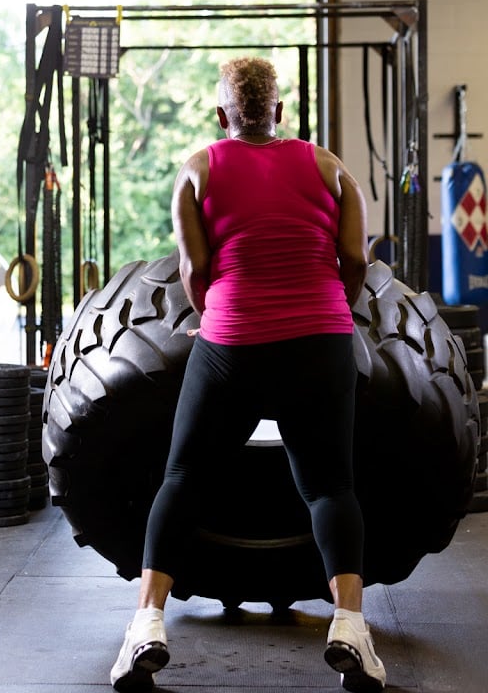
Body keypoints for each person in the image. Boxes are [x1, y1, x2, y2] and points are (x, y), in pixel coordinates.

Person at [110, 56, 386, 693]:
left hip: (234, 340)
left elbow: (193, 269)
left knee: (183, 476)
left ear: (220, 114)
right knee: (329, 489)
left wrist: (209, 318)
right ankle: (349, 626)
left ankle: (147, 626)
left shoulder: (198, 170)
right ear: (281, 112)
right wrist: (334, 310)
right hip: (320, 340)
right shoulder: (329, 166)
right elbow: (353, 257)